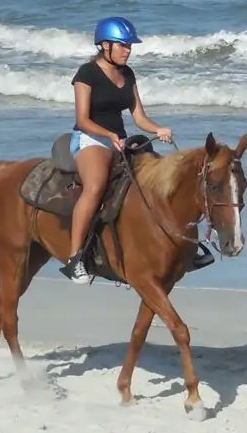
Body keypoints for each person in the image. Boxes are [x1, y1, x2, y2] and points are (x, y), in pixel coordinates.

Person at [61, 16, 175, 284]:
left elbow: (139, 117)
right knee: (96, 186)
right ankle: (75, 259)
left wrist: (157, 129)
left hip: (120, 140)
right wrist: (108, 134)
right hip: (91, 139)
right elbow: (82, 119)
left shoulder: (128, 73)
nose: (128, 50)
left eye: (129, 46)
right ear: (104, 46)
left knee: (156, 180)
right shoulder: (86, 74)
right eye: (122, 45)